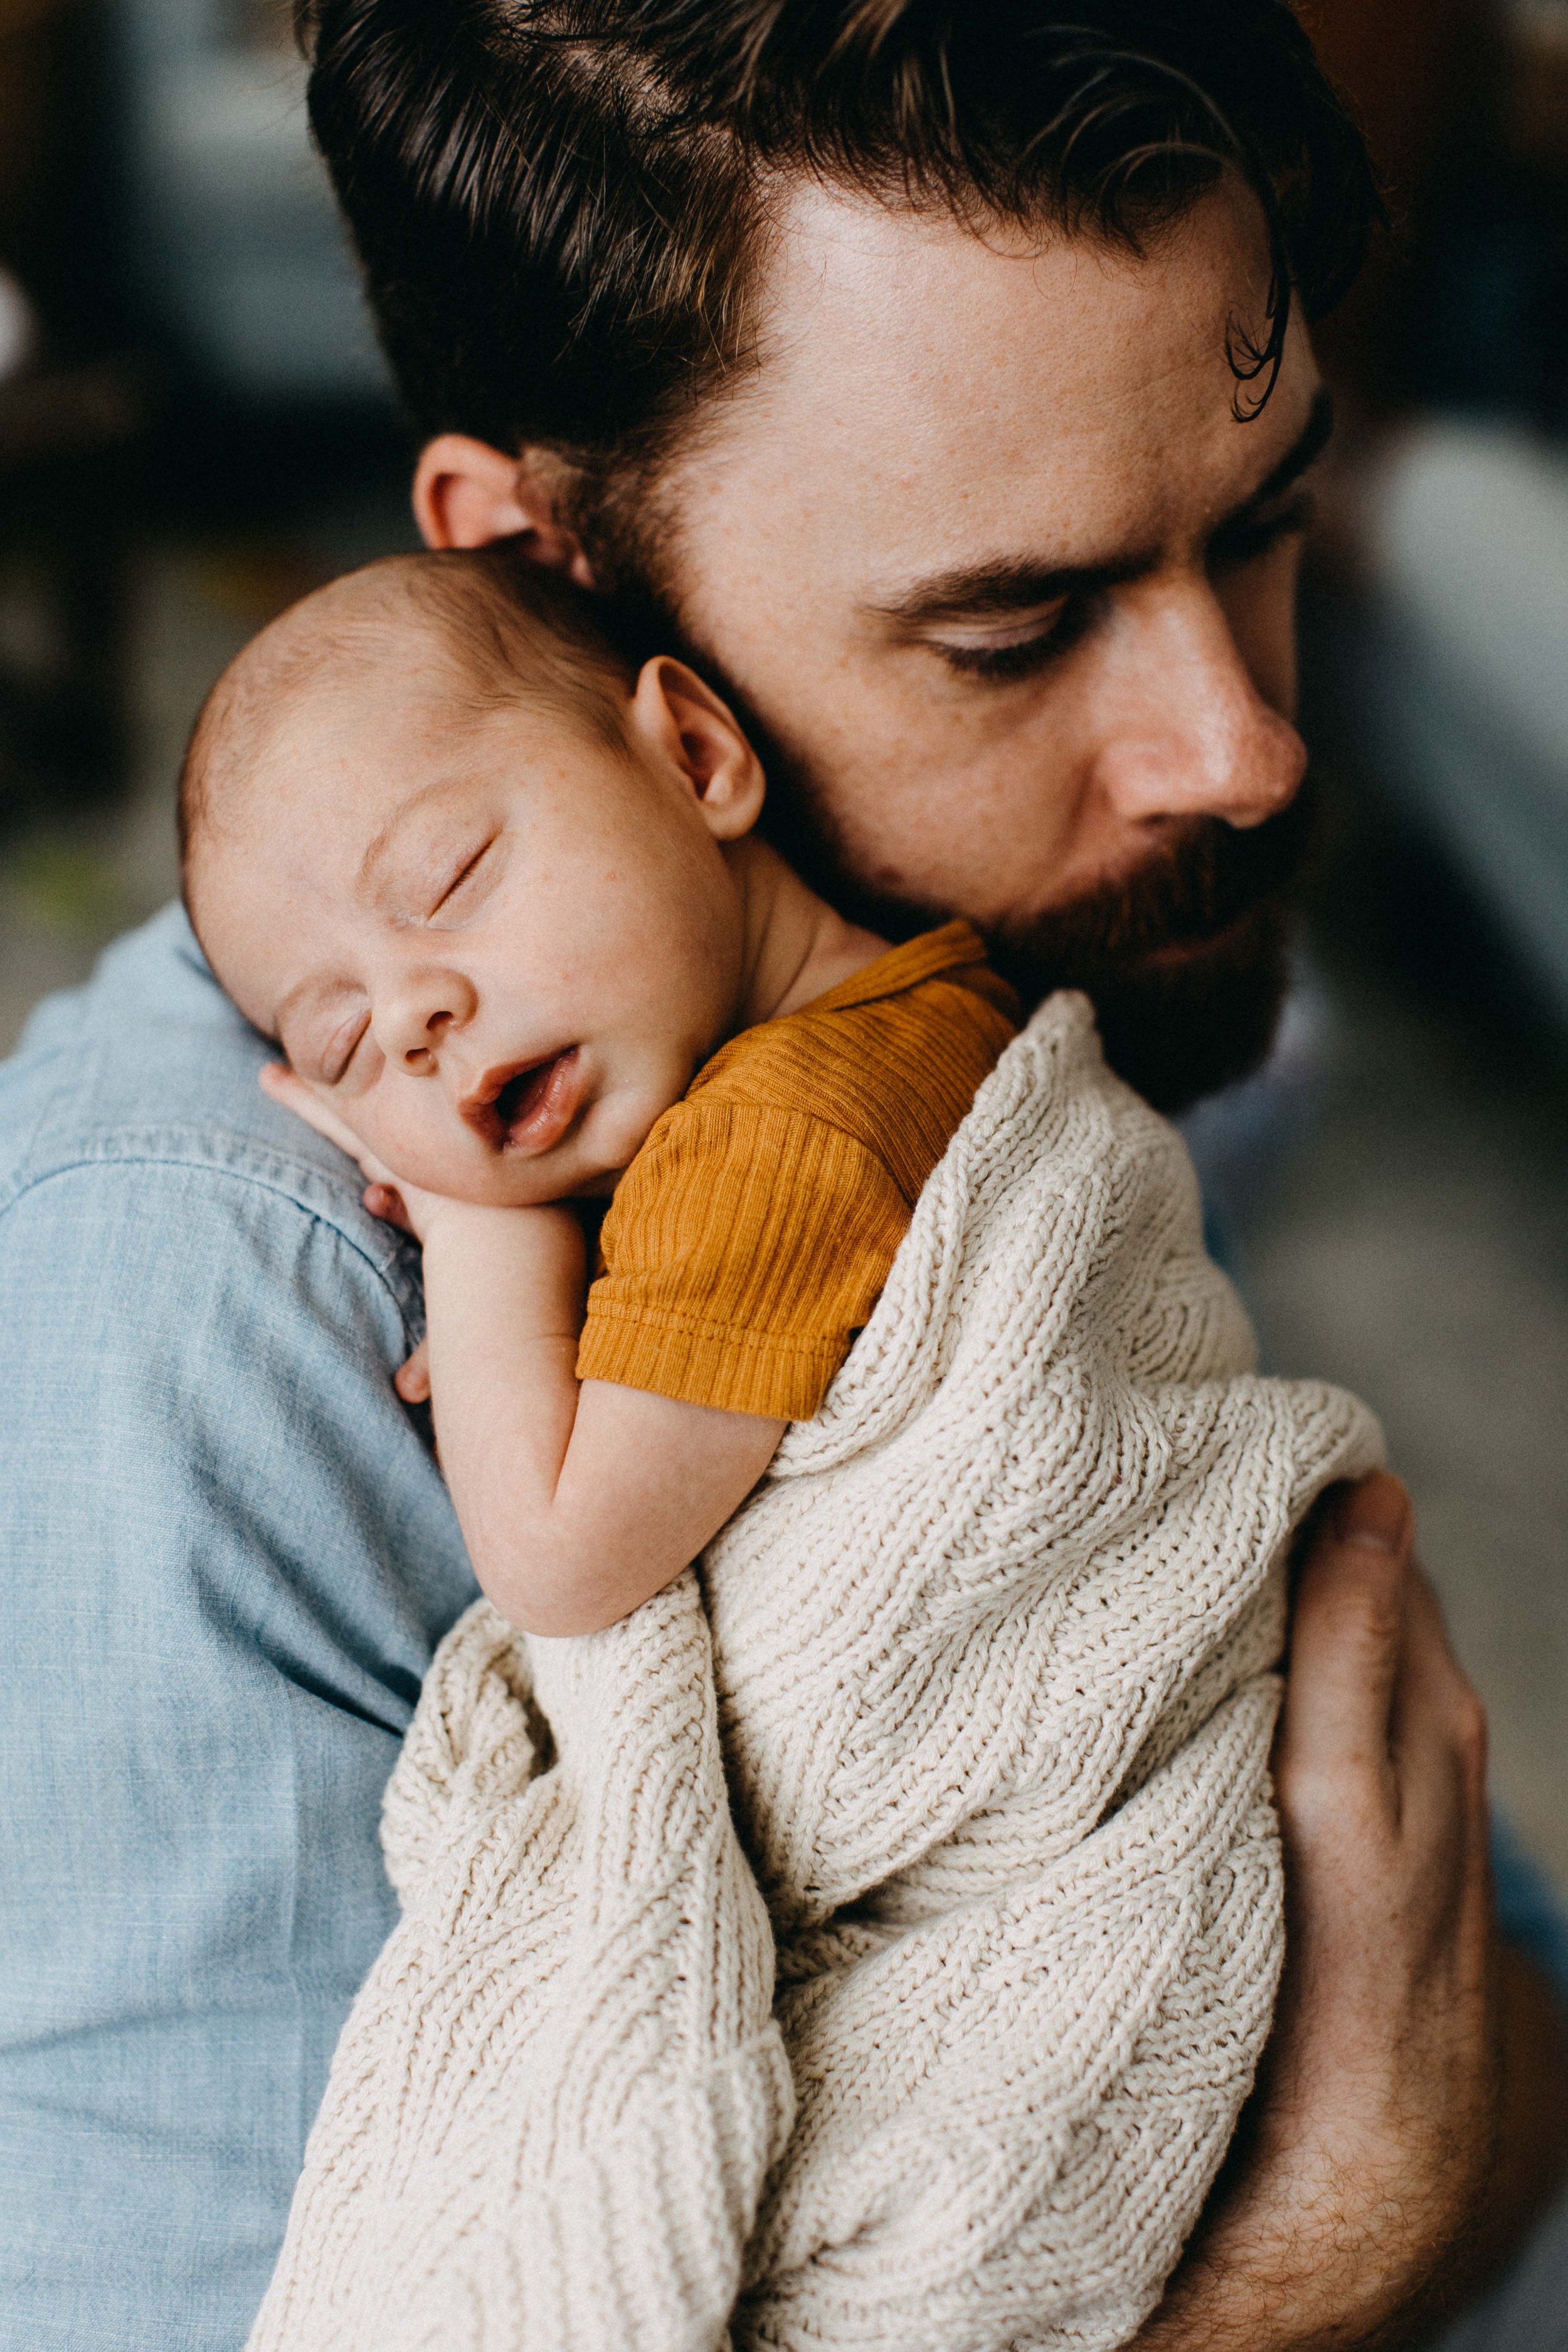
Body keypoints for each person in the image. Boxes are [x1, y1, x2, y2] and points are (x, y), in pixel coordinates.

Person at [1, 3, 1565, 2346]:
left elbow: (1472, 1968)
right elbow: (1420, 2107)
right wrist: (1330, 2253)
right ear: (577, 591)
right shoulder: (202, 1338)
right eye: (1013, 629)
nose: (1237, 746)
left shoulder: (1004, 1024)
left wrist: (1439, 2122)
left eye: (1257, 527)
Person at [181, 546, 1017, 1632]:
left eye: (448, 878)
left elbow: (558, 1567)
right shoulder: (937, 996)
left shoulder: (772, 1142)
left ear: (695, 756)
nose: (405, 1020)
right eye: (344, 1047)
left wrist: (478, 1240)